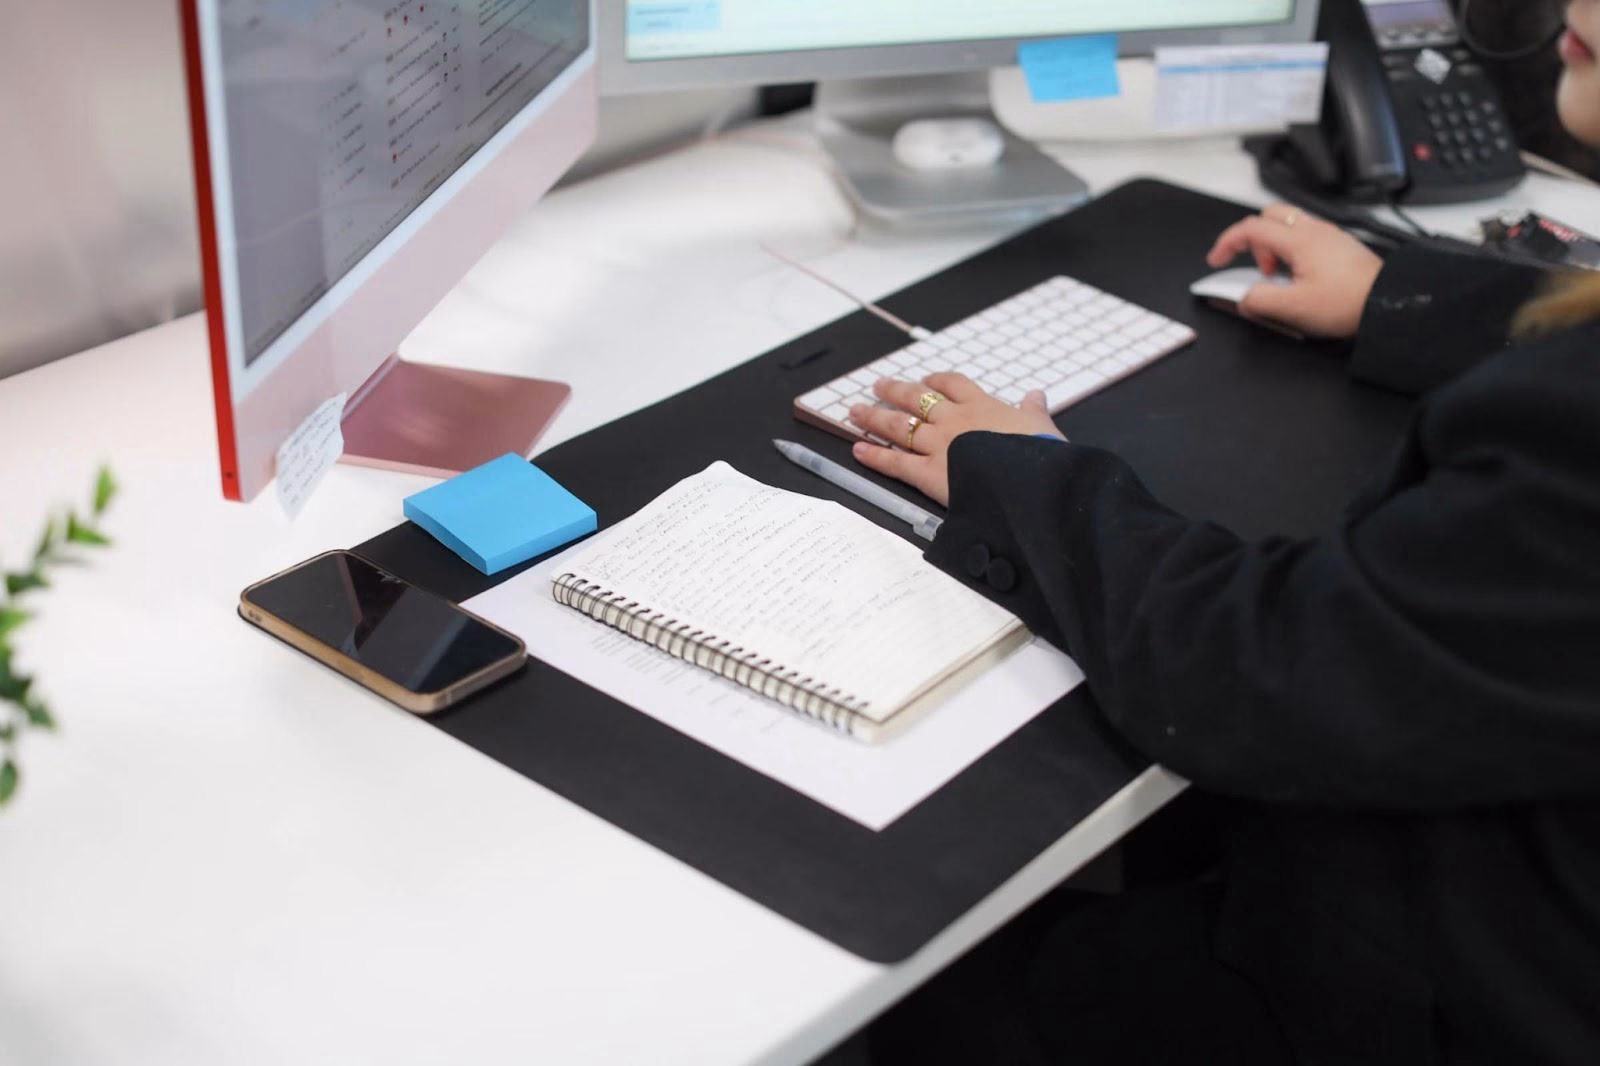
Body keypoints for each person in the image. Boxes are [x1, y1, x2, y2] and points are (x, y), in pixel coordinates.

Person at [846, 4, 1600, 1063]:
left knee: (922, 989)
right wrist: (1400, 292)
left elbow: (1263, 671)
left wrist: (1017, 471)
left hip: (1468, 999)